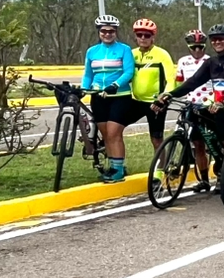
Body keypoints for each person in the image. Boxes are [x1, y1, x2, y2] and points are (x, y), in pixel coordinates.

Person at [157, 23, 224, 159]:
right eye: (214, 39)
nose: (217, 42)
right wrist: (170, 94)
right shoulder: (211, 62)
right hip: (219, 109)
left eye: (221, 39)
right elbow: (193, 82)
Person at [81, 14, 135, 183]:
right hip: (98, 97)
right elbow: (88, 74)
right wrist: (84, 88)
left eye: (111, 31)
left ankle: (118, 170)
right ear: (99, 32)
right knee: (105, 134)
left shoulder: (124, 49)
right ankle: (113, 166)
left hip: (120, 96)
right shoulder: (92, 51)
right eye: (104, 31)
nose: (107, 34)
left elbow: (129, 72)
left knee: (114, 133)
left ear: (116, 32)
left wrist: (116, 85)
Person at [125, 18, 177, 154]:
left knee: (156, 139)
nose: (143, 38)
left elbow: (171, 81)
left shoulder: (162, 54)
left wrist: (163, 99)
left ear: (153, 37)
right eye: (139, 35)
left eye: (147, 35)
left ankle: (160, 170)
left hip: (156, 103)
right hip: (136, 101)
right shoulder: (132, 53)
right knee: (115, 127)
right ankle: (116, 163)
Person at [173, 29, 214, 191]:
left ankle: (220, 173)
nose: (197, 50)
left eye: (201, 47)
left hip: (208, 105)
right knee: (198, 144)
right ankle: (204, 180)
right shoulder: (183, 61)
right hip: (191, 104)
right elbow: (179, 84)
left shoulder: (211, 60)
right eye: (194, 47)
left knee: (215, 142)